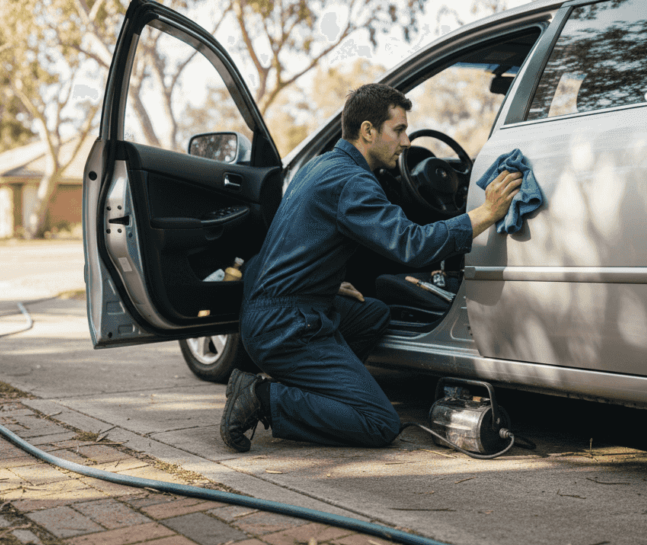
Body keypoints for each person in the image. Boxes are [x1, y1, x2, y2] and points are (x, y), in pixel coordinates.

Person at [220, 83, 522, 452]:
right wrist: (484, 213)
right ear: (367, 131)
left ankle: (320, 389)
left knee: (373, 314)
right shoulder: (352, 181)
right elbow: (411, 244)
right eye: (398, 130)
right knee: (379, 423)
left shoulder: (321, 165)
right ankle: (262, 396)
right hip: (287, 326)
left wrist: (325, 285)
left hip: (278, 309)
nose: (407, 141)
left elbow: (294, 243)